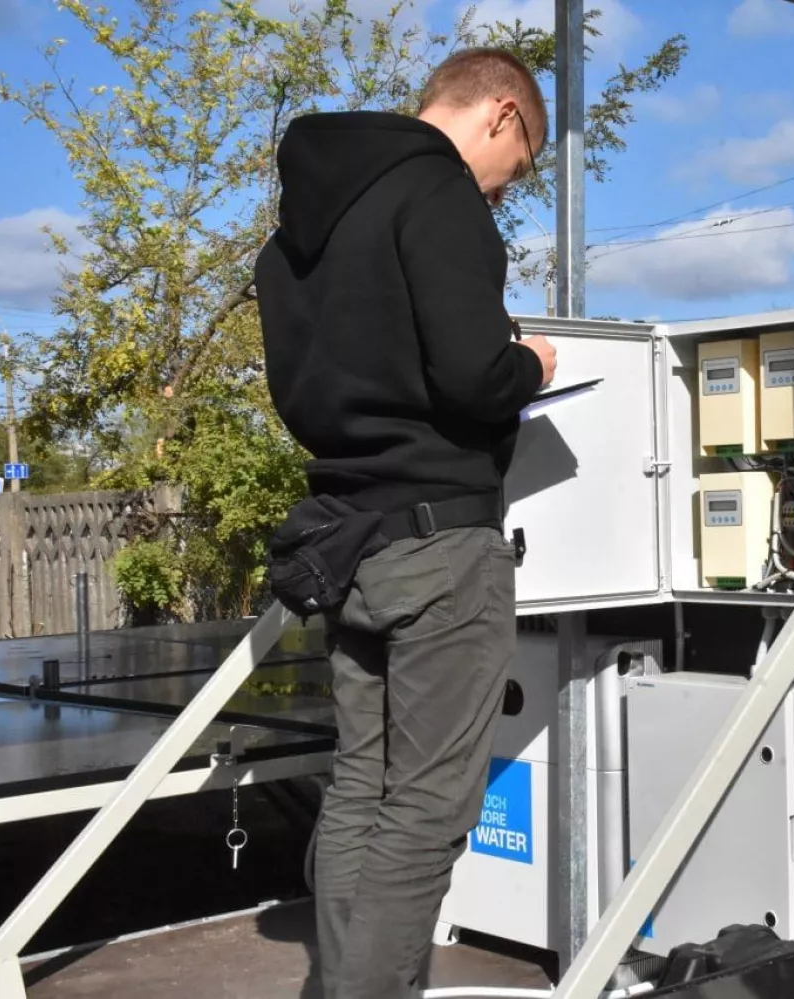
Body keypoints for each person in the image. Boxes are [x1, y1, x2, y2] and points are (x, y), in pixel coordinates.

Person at [253, 48, 558, 999]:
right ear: (501, 114)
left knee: (360, 788)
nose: (508, 189)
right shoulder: (438, 196)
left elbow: (306, 387)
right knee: (426, 810)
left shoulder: (299, 230)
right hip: (441, 548)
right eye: (521, 165)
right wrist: (534, 363)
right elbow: (473, 374)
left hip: (349, 540)